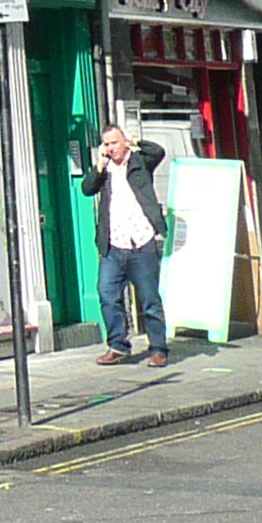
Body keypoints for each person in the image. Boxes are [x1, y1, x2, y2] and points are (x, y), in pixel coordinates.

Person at [84, 125, 169, 367]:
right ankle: (118, 346)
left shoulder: (140, 162)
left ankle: (158, 349)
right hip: (114, 246)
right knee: (107, 294)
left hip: (142, 243)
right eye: (107, 144)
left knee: (150, 299)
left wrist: (135, 140)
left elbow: (159, 151)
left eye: (115, 143)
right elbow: (87, 189)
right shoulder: (105, 171)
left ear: (124, 142)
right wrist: (99, 165)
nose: (111, 148)